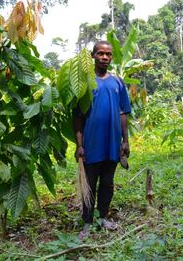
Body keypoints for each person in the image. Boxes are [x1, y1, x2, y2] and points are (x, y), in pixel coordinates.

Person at [73, 41, 131, 240]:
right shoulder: (86, 83)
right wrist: (79, 145)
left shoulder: (117, 82)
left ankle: (103, 217)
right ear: (93, 56)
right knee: (89, 184)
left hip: (112, 143)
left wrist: (125, 141)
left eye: (108, 54)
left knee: (107, 182)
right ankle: (88, 222)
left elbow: (123, 112)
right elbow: (78, 117)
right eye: (100, 53)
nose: (105, 57)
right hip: (91, 143)